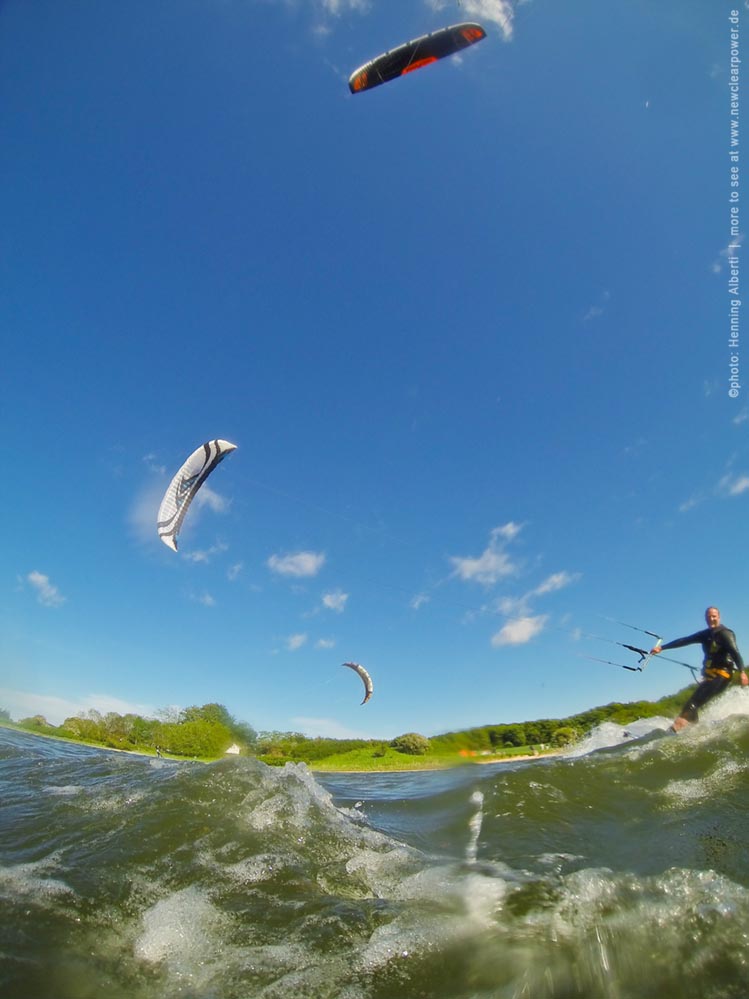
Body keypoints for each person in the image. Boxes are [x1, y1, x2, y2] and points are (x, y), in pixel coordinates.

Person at [651, 606, 748, 731]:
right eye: (708, 617)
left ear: (719, 617)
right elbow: (685, 640)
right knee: (693, 704)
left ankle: (676, 730)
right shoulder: (705, 634)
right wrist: (662, 648)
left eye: (714, 616)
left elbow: (735, 653)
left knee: (692, 704)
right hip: (710, 676)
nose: (711, 619)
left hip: (723, 676)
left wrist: (742, 672)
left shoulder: (725, 633)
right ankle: (693, 729)